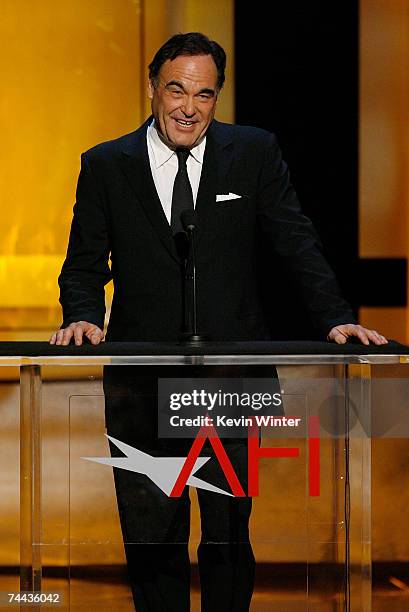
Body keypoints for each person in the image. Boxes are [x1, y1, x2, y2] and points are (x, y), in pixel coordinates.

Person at [50, 32, 387, 611]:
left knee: (229, 532)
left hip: (233, 375)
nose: (188, 107)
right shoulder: (107, 164)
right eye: (176, 90)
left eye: (204, 95)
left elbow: (295, 239)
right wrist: (82, 315)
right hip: (142, 375)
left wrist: (336, 317)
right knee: (152, 532)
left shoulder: (252, 152)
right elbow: (83, 262)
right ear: (152, 88)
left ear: (217, 97)